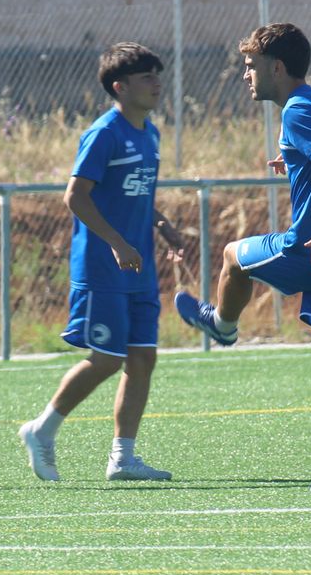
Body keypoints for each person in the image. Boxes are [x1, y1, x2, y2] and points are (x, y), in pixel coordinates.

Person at [174, 23, 311, 492]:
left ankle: (222, 325)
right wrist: (298, 160)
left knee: (231, 254)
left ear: (278, 68)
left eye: (251, 66)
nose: (246, 75)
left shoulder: (299, 108)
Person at [18, 43, 186, 482]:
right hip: (103, 266)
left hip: (140, 268)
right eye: (146, 77)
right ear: (120, 87)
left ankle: (122, 458)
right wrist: (115, 242)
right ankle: (42, 429)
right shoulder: (105, 132)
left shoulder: (150, 133)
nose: (156, 84)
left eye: (157, 75)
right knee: (108, 359)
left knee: (143, 359)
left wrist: (162, 223)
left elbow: (134, 193)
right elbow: (76, 196)